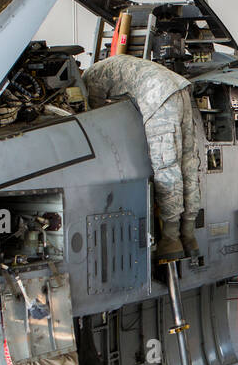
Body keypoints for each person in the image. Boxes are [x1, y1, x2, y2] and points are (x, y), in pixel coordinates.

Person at [82, 54, 202, 262]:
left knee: (166, 165)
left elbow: (94, 117)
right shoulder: (107, 67)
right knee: (187, 164)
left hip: (157, 94)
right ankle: (189, 236)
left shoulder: (88, 79)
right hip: (179, 87)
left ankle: (171, 238)